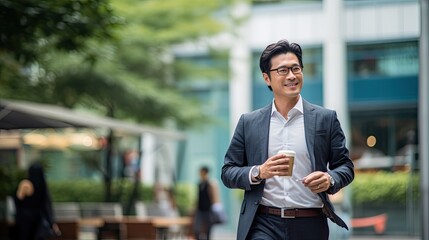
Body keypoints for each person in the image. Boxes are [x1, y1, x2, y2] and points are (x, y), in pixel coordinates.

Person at [221, 39, 354, 240]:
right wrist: (259, 172)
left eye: (296, 68)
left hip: (310, 222)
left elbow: (345, 166)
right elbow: (228, 172)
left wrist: (329, 179)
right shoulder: (249, 122)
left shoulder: (326, 119)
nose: (291, 76)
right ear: (267, 78)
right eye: (283, 70)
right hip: (263, 223)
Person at [13, 162, 61, 240]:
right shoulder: (43, 186)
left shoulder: (26, 184)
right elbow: (46, 205)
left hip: (25, 218)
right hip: (38, 219)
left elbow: (19, 198)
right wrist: (51, 222)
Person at [193, 166, 220, 240]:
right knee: (197, 229)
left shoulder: (210, 184)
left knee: (208, 230)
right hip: (200, 210)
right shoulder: (199, 184)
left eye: (201, 172)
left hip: (208, 210)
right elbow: (198, 198)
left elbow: (214, 198)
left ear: (205, 173)